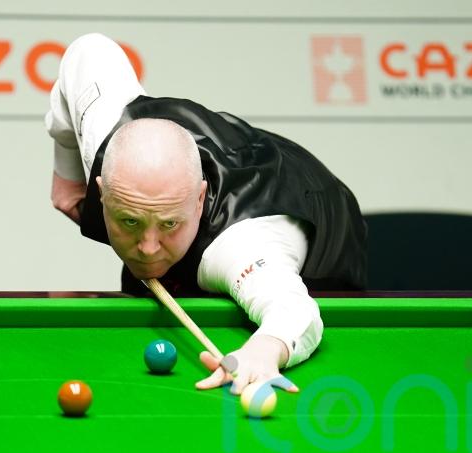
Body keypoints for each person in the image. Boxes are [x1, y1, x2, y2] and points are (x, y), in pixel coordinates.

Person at [45, 33, 367, 395]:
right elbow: (88, 50)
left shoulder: (241, 244)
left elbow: (295, 312)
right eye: (130, 221)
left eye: (169, 224)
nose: (148, 247)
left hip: (323, 223)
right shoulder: (104, 128)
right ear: (101, 192)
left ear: (199, 199)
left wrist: (264, 350)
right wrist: (68, 178)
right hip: (238, 156)